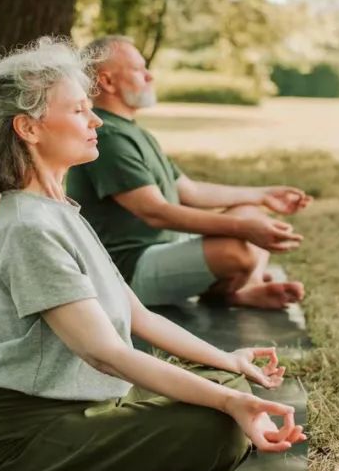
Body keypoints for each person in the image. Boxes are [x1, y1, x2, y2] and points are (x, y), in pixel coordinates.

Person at [0, 37, 306, 471]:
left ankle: (149, 466)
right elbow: (106, 353)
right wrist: (227, 403)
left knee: (226, 385)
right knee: (217, 422)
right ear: (29, 129)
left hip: (94, 407)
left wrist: (229, 362)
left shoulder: (60, 211)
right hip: (21, 436)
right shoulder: (29, 228)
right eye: (79, 111)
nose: (96, 119)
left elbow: (141, 317)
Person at [67, 35, 312, 310]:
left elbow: (191, 191)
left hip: (165, 249)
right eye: (139, 69)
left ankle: (242, 289)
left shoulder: (132, 131)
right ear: (107, 81)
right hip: (127, 271)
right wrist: (244, 229)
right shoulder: (108, 136)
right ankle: (238, 287)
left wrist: (263, 195)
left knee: (253, 212)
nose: (150, 76)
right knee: (238, 249)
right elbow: (155, 212)